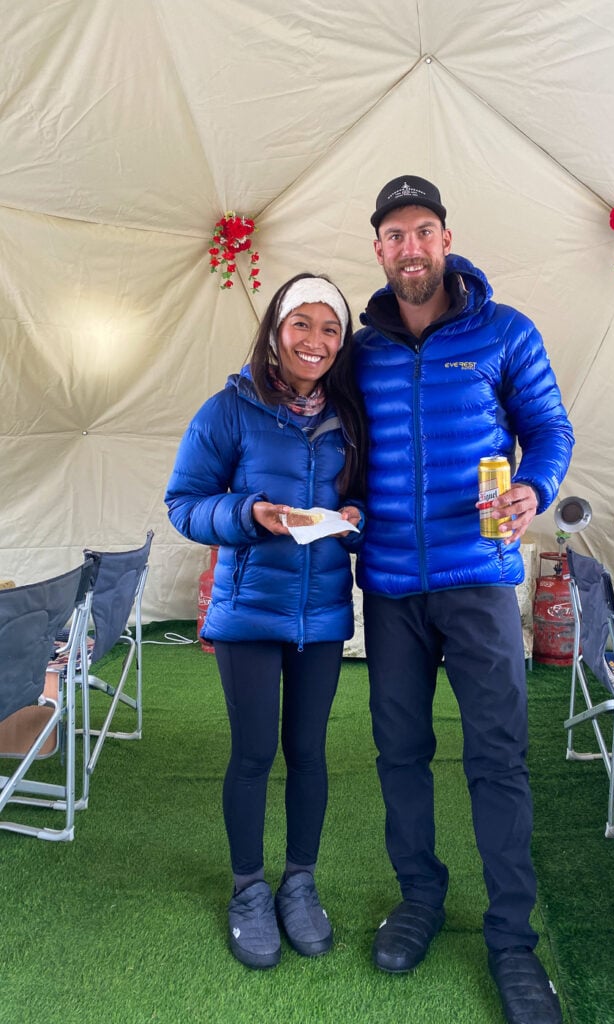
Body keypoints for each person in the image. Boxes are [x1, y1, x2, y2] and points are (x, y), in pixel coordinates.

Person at [354, 176, 574, 1024]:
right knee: (400, 752)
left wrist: (533, 485)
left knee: (496, 757)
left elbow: (551, 427)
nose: (410, 247)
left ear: (446, 239)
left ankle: (513, 940)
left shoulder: (505, 331)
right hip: (391, 588)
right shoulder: (360, 346)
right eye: (394, 234)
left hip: (479, 580)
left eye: (423, 231)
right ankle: (419, 898)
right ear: (378, 248)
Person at [165, 273, 366, 970]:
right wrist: (247, 513)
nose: (316, 341)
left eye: (330, 329)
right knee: (254, 754)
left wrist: (356, 523)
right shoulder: (229, 409)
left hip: (322, 615)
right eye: (302, 325)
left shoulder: (351, 413)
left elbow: (364, 503)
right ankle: (249, 888)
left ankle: (300, 884)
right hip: (249, 612)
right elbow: (185, 504)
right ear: (276, 333)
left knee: (309, 753)